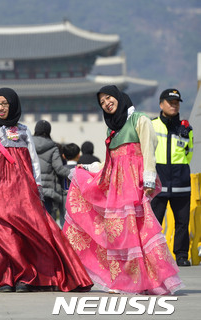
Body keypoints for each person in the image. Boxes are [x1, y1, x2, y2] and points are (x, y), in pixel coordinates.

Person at [0, 87, 92, 293]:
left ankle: (26, 277)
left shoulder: (24, 130)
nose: (0, 108)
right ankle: (5, 279)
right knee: (0, 233)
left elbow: (34, 162)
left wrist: (37, 189)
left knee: (29, 232)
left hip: (22, 190)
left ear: (13, 105)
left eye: (4, 104)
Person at [63, 85, 184, 295]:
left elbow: (148, 149)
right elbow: (110, 162)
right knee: (118, 236)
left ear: (118, 97)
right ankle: (122, 281)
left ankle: (146, 281)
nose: (106, 103)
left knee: (138, 234)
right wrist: (90, 169)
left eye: (109, 98)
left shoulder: (139, 119)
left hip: (134, 185)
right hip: (116, 188)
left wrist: (148, 180)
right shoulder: (111, 128)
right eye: (102, 102)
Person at [151, 89, 194, 267]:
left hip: (181, 183)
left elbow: (188, 153)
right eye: (170, 102)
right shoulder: (152, 125)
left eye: (176, 102)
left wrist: (180, 171)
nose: (174, 105)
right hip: (157, 183)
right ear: (161, 104)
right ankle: (152, 256)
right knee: (154, 222)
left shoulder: (186, 128)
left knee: (182, 222)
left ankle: (182, 255)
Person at [32, 120, 70, 220]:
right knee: (48, 222)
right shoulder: (53, 147)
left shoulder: (28, 145)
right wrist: (74, 173)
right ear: (49, 131)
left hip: (31, 189)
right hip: (47, 192)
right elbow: (59, 169)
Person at [59, 143, 81, 227]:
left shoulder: (60, 169)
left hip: (64, 199)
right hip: (78, 200)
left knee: (64, 223)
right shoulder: (81, 169)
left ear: (63, 156)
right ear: (78, 155)